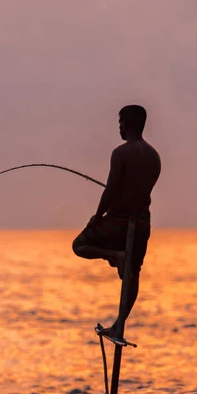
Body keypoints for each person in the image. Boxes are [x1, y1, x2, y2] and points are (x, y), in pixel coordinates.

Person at [72, 105, 161, 339]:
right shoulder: (154, 156)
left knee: (79, 245)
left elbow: (111, 191)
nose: (118, 127)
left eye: (120, 122)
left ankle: (115, 256)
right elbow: (138, 190)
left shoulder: (120, 153)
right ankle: (120, 324)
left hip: (118, 221)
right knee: (133, 274)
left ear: (127, 124)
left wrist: (97, 217)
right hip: (142, 223)